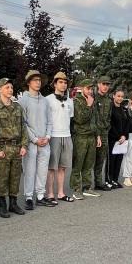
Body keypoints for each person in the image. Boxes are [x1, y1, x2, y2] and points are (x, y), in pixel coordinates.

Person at [0, 77, 27, 218]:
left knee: (15, 178)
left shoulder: (17, 107)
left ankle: (13, 203)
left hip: (16, 147)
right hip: (3, 148)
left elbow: (23, 127)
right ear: (0, 89)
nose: (10, 90)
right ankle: (2, 206)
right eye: (7, 87)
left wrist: (24, 145)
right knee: (2, 178)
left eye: (11, 87)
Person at [20, 70, 53, 209]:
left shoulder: (45, 101)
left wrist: (47, 136)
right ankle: (28, 197)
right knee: (29, 170)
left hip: (45, 142)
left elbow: (50, 121)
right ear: (29, 82)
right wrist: (34, 139)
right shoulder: (23, 100)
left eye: (39, 80)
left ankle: (40, 195)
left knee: (42, 170)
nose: (38, 82)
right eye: (35, 80)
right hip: (31, 143)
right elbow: (23, 123)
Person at [45, 71, 74, 202]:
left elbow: (70, 118)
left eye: (65, 82)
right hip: (53, 136)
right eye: (60, 82)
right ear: (55, 84)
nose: (63, 85)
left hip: (67, 136)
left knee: (63, 167)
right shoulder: (48, 100)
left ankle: (61, 193)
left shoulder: (70, 101)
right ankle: (50, 194)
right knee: (52, 167)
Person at [70, 79, 99, 198]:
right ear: (82, 89)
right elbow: (80, 119)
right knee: (78, 164)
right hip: (80, 137)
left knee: (89, 164)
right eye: (88, 88)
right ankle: (76, 189)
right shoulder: (76, 101)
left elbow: (94, 119)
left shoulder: (92, 100)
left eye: (91, 88)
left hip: (91, 136)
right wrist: (88, 105)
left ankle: (87, 187)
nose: (90, 91)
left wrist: (97, 135)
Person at [92, 76, 114, 191]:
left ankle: (98, 182)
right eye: (103, 84)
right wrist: (97, 133)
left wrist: (107, 129)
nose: (105, 86)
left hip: (104, 133)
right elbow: (93, 117)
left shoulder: (109, 100)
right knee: (89, 159)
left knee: (101, 159)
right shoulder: (93, 98)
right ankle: (84, 185)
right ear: (98, 85)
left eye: (107, 84)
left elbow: (109, 117)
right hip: (94, 133)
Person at [107, 89, 128, 187]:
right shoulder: (110, 108)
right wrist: (117, 136)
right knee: (111, 160)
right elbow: (110, 124)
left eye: (122, 96)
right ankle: (109, 180)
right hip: (112, 138)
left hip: (122, 139)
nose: (120, 98)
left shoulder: (123, 109)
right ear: (113, 96)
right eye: (118, 96)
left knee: (119, 160)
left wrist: (124, 136)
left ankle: (115, 179)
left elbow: (126, 124)